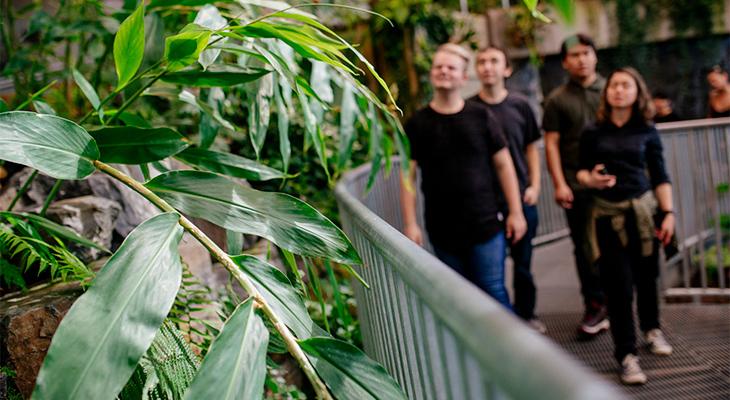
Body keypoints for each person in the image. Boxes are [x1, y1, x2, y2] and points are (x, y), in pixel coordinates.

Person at [400, 43, 527, 310]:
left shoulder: (481, 116)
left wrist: (516, 212)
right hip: (442, 229)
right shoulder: (417, 124)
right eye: (438, 66)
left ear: (462, 76)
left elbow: (504, 166)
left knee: (493, 291)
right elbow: (407, 177)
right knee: (458, 300)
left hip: (486, 225)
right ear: (431, 73)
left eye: (450, 67)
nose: (443, 71)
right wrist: (410, 223)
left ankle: (508, 350)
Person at [577, 67, 674, 385]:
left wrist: (668, 212)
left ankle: (651, 328)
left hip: (643, 214)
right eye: (614, 85)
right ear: (607, 93)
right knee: (618, 287)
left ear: (637, 92)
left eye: (625, 85)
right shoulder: (593, 131)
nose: (618, 90)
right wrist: (590, 179)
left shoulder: (647, 129)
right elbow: (580, 172)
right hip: (607, 216)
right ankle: (627, 355)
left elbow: (659, 175)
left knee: (648, 277)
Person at [468, 46, 545, 332]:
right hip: (485, 203)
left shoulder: (520, 105)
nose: (488, 67)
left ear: (506, 69)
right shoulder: (469, 109)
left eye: (494, 61)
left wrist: (535, 186)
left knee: (523, 264)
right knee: (490, 270)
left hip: (522, 198)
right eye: (482, 62)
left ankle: (527, 315)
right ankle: (499, 325)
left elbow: (531, 149)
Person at [543, 34, 608, 338]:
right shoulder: (557, 99)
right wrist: (559, 183)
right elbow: (552, 145)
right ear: (565, 62)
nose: (581, 59)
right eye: (575, 55)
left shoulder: (612, 90)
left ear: (595, 55)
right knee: (584, 248)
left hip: (612, 183)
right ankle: (595, 306)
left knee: (618, 246)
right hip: (575, 185)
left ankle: (621, 305)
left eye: (586, 52)